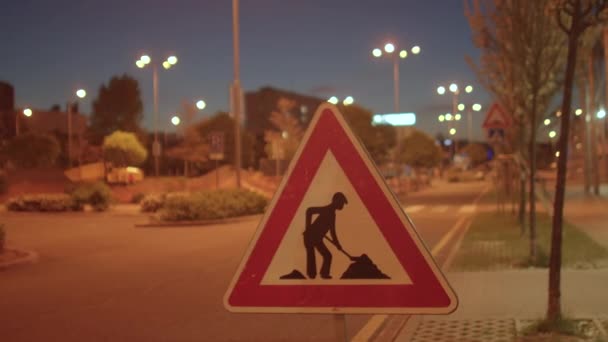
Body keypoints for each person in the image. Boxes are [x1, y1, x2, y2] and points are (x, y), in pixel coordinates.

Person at [303, 192, 348, 279]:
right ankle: (312, 277)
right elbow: (309, 210)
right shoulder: (327, 209)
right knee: (311, 256)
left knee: (328, 256)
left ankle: (324, 274)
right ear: (336, 201)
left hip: (318, 238)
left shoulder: (332, 214)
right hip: (310, 236)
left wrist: (337, 244)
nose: (342, 205)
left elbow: (332, 231)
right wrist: (308, 228)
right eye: (341, 203)